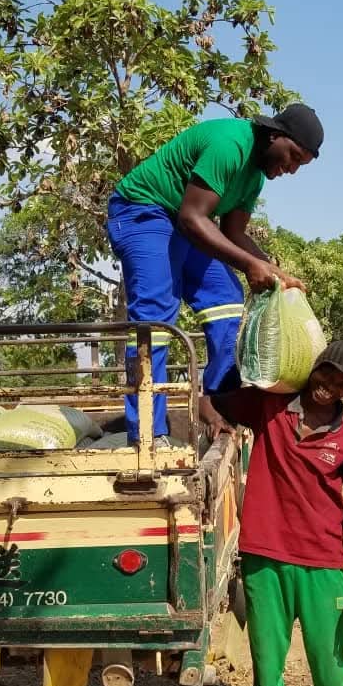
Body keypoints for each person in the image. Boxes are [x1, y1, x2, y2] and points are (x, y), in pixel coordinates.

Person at [107, 103, 323, 444]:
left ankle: (217, 404)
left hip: (184, 224)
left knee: (227, 302)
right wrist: (252, 265)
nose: (291, 169)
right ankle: (148, 435)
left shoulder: (253, 176)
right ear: (275, 136)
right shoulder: (230, 145)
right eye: (293, 156)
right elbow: (194, 218)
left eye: (300, 165)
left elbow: (234, 234)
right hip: (144, 211)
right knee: (156, 318)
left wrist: (276, 273)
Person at [200, 341, 343, 686]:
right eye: (328, 372)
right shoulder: (270, 405)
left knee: (331, 673)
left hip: (323, 566)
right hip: (264, 559)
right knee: (267, 673)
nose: (331, 385)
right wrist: (218, 423)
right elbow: (210, 398)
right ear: (315, 366)